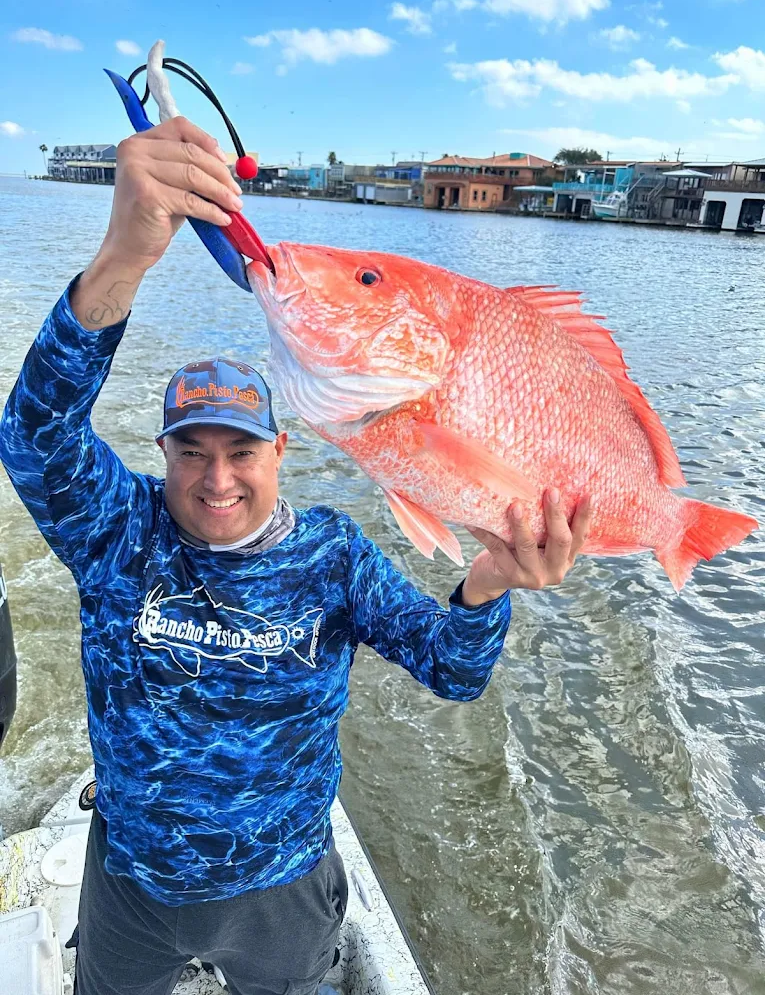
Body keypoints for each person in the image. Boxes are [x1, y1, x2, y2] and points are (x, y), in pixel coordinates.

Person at [0, 116, 591, 995]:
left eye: (240, 451)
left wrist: (491, 582)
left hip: (284, 890)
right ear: (160, 455)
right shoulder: (117, 532)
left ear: (280, 452)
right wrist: (123, 258)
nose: (216, 481)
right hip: (132, 883)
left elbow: (452, 668)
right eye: (190, 451)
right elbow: (35, 432)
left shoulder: (331, 555)